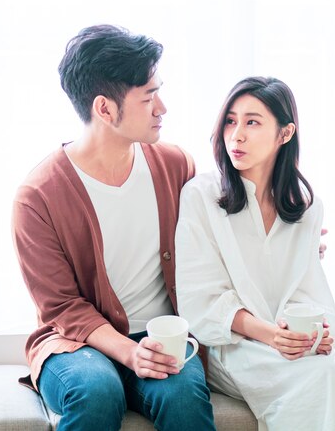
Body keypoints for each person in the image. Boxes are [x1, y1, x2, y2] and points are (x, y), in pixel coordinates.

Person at [12, 25, 216, 431]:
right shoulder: (37, 198)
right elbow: (62, 308)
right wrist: (127, 352)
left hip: (161, 335)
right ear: (105, 109)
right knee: (96, 392)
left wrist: (287, 238)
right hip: (75, 344)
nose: (162, 107)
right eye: (148, 97)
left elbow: (221, 227)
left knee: (184, 401)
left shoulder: (175, 167)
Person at [174, 77, 335, 431]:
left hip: (288, 348)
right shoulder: (201, 195)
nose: (236, 134)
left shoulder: (306, 207)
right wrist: (272, 336)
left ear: (285, 134)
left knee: (325, 367)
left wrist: (319, 334)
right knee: (323, 377)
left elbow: (311, 294)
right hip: (233, 348)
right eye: (230, 120)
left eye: (252, 122)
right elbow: (201, 302)